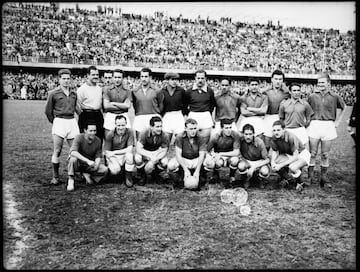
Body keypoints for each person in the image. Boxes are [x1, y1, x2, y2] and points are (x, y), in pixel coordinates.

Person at [307, 73, 346, 188]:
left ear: (328, 83)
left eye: (323, 82)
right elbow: (306, 108)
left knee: (325, 154)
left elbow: (344, 107)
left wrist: (338, 121)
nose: (320, 85)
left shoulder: (335, 96)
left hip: (328, 125)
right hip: (314, 124)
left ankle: (323, 178)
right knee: (312, 154)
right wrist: (307, 121)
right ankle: (310, 177)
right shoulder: (312, 96)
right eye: (319, 83)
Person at [45, 68, 80, 185]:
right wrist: (55, 122)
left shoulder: (74, 93)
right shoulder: (53, 93)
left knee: (75, 150)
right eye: (63, 79)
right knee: (58, 150)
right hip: (59, 121)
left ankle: (74, 174)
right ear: (59, 79)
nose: (66, 81)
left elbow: (77, 109)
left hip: (72, 122)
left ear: (70, 79)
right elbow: (48, 111)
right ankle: (55, 176)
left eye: (68, 79)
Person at [67, 120, 109, 191]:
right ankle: (71, 180)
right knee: (73, 159)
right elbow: (73, 152)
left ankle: (86, 175)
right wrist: (87, 161)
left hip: (89, 165)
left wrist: (96, 164)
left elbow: (98, 155)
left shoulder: (98, 140)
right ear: (85, 130)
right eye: (91, 131)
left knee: (105, 170)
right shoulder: (79, 137)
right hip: (79, 163)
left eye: (94, 131)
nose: (93, 133)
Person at [269, 120, 311, 191]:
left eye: (278, 130)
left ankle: (300, 182)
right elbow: (275, 151)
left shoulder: (290, 137)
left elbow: (296, 156)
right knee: (274, 163)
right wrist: (272, 162)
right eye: (274, 130)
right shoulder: (274, 137)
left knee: (293, 167)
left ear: (284, 129)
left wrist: (280, 165)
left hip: (301, 154)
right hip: (289, 154)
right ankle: (289, 179)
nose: (276, 132)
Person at [167, 118, 207, 190]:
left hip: (196, 159)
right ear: (185, 128)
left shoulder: (201, 137)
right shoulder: (179, 137)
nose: (193, 131)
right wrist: (185, 169)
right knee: (171, 165)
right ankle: (179, 180)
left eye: (195, 128)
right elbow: (178, 154)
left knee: (210, 163)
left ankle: (203, 178)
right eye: (191, 129)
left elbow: (202, 155)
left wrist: (197, 171)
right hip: (184, 159)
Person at [203, 118, 240, 186]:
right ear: (221, 128)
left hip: (230, 155)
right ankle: (216, 175)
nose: (229, 130)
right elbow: (208, 150)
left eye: (230, 127)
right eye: (226, 128)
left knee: (235, 160)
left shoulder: (235, 135)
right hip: (219, 157)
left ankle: (232, 176)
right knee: (218, 162)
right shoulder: (215, 136)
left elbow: (236, 152)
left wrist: (221, 153)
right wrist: (213, 155)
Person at [134, 116, 170, 185]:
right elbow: (138, 149)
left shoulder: (165, 135)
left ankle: (156, 174)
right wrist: (149, 155)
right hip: (145, 152)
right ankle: (142, 175)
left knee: (165, 162)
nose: (159, 129)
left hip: (157, 153)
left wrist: (154, 160)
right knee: (137, 158)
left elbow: (164, 151)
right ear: (151, 126)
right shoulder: (144, 133)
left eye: (160, 126)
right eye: (157, 127)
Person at [279, 83, 313, 150]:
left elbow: (309, 117)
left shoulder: (305, 104)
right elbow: (281, 118)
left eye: (298, 90)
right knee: (288, 151)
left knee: (305, 152)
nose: (296, 92)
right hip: (288, 130)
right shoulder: (284, 104)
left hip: (300, 129)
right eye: (294, 90)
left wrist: (304, 126)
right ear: (290, 92)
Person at [184, 69, 216, 143]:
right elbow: (185, 106)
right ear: (195, 78)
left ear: (205, 79)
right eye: (198, 78)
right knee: (192, 140)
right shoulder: (189, 91)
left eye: (202, 78)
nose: (200, 80)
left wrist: (210, 115)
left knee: (205, 140)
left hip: (206, 116)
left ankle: (204, 153)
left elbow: (212, 106)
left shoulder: (210, 91)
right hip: (193, 115)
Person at [131, 67, 163, 139]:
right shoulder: (135, 91)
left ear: (150, 77)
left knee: (153, 141)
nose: (143, 79)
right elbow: (135, 105)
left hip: (153, 115)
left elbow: (161, 104)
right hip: (140, 116)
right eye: (142, 76)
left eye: (146, 76)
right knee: (140, 140)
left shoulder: (157, 90)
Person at [103, 114, 135, 187]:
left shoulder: (130, 132)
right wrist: (114, 160)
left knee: (129, 156)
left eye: (123, 125)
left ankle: (128, 177)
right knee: (115, 170)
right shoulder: (110, 134)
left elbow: (130, 149)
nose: (121, 127)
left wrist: (114, 152)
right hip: (113, 157)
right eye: (119, 125)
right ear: (115, 125)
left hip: (122, 154)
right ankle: (112, 174)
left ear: (126, 124)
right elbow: (107, 152)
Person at [262, 70, 290, 150]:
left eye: (280, 79)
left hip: (279, 117)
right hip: (268, 117)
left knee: (279, 140)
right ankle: (267, 160)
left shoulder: (286, 92)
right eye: (276, 79)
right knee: (267, 140)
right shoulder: (266, 91)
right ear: (272, 79)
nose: (278, 81)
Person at [238, 124, 270, 189]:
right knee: (241, 166)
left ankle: (260, 180)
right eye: (246, 134)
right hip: (247, 161)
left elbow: (267, 160)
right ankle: (246, 179)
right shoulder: (240, 140)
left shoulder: (259, 142)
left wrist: (254, 167)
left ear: (253, 134)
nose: (248, 136)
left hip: (258, 162)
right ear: (243, 134)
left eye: (250, 134)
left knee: (264, 171)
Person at [77, 65, 104, 141]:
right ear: (88, 76)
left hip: (98, 115)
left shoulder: (99, 89)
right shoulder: (82, 89)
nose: (96, 76)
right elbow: (77, 106)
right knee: (86, 140)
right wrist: (82, 115)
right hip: (86, 115)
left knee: (99, 139)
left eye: (97, 75)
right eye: (93, 75)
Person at [103, 69, 131, 138]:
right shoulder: (107, 90)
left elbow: (127, 105)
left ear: (123, 78)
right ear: (112, 78)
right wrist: (122, 105)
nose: (117, 80)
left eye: (119, 77)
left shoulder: (127, 91)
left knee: (124, 139)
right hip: (110, 116)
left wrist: (113, 103)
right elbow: (106, 106)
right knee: (109, 138)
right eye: (115, 77)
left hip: (123, 115)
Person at [160, 72, 187, 143]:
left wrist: (184, 115)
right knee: (166, 138)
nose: (174, 81)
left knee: (180, 137)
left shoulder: (181, 91)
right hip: (167, 115)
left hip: (178, 115)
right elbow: (161, 105)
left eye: (176, 80)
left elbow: (185, 104)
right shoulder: (162, 91)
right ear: (167, 80)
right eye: (172, 79)